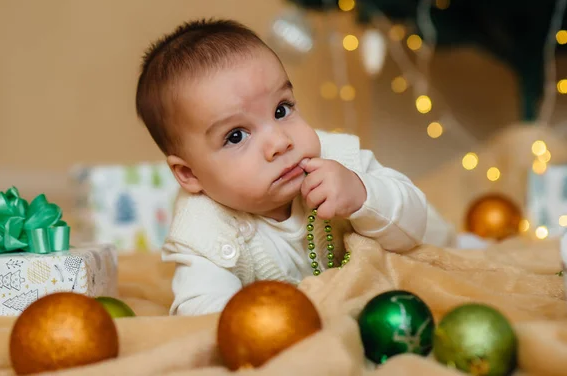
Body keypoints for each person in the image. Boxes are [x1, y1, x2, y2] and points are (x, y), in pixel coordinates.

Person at [135, 19, 455, 316]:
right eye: (236, 136)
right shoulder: (203, 231)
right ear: (190, 175)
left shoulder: (338, 160)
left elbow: (414, 226)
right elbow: (204, 314)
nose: (279, 141)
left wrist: (362, 194)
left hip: (442, 249)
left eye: (281, 109)